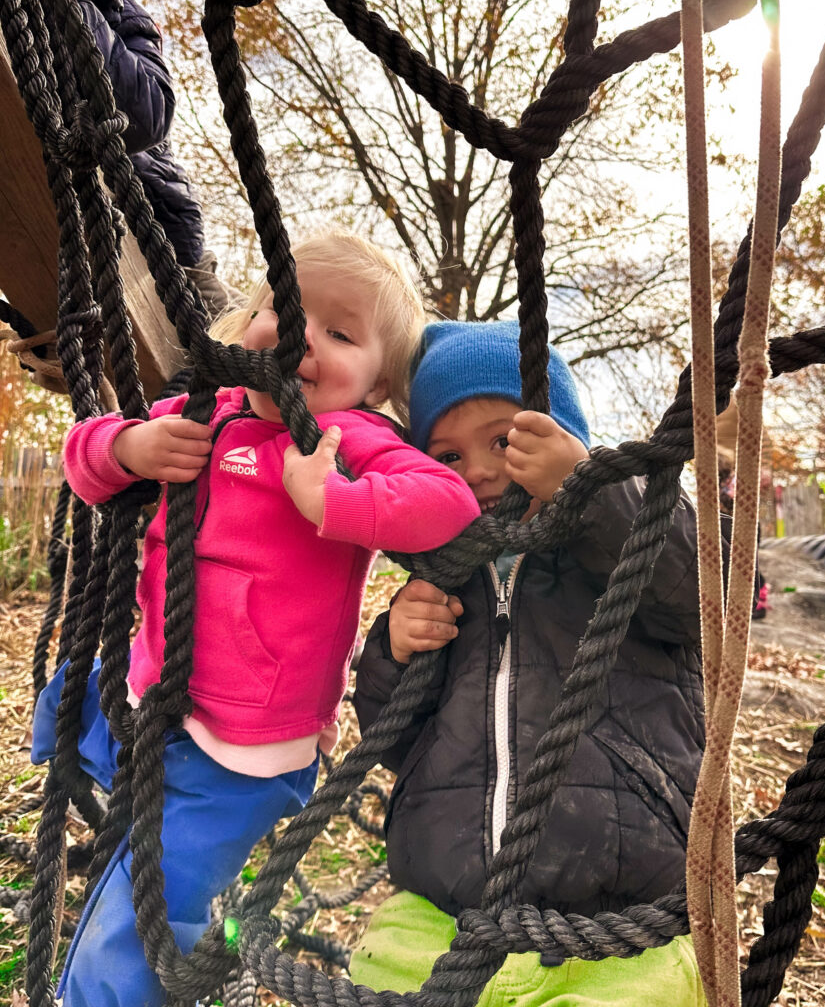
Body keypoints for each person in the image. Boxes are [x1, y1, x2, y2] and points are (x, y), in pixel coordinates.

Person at [30, 231, 481, 1007]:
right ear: (249, 326)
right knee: (72, 694)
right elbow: (85, 458)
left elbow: (449, 506)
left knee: (150, 908)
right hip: (152, 691)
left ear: (375, 387)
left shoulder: (354, 441)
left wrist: (330, 499)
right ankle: (91, 773)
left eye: (340, 334)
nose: (304, 337)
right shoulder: (205, 412)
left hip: (244, 746)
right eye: (287, 310)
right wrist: (133, 447)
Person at [351, 320, 710, 1006]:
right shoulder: (449, 577)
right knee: (377, 972)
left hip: (622, 916)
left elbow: (702, 601)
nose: (481, 470)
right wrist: (394, 650)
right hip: (444, 908)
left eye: (505, 440)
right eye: (448, 457)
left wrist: (592, 490)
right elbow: (396, 743)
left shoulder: (633, 531)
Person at [76, 0, 239, 315]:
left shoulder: (119, 11)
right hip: (85, 228)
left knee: (241, 334)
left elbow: (148, 116)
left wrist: (74, 11)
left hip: (167, 237)